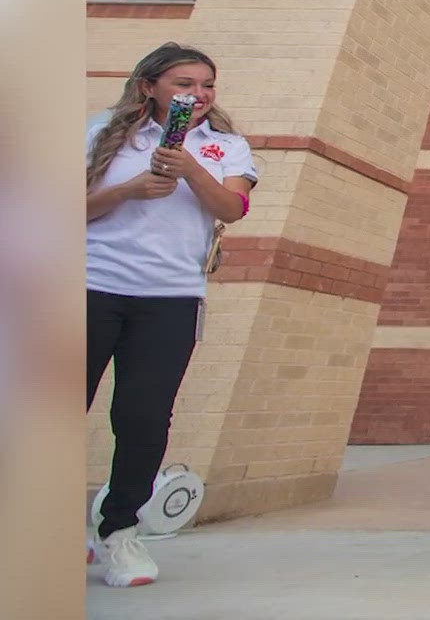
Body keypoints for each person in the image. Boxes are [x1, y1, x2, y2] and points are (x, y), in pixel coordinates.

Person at [85, 43, 257, 587]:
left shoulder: (225, 146)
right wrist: (130, 188)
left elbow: (234, 208)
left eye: (207, 85)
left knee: (142, 418)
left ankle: (118, 532)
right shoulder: (102, 134)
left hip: (171, 300)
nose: (198, 95)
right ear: (149, 87)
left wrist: (189, 170)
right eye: (184, 84)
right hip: (88, 287)